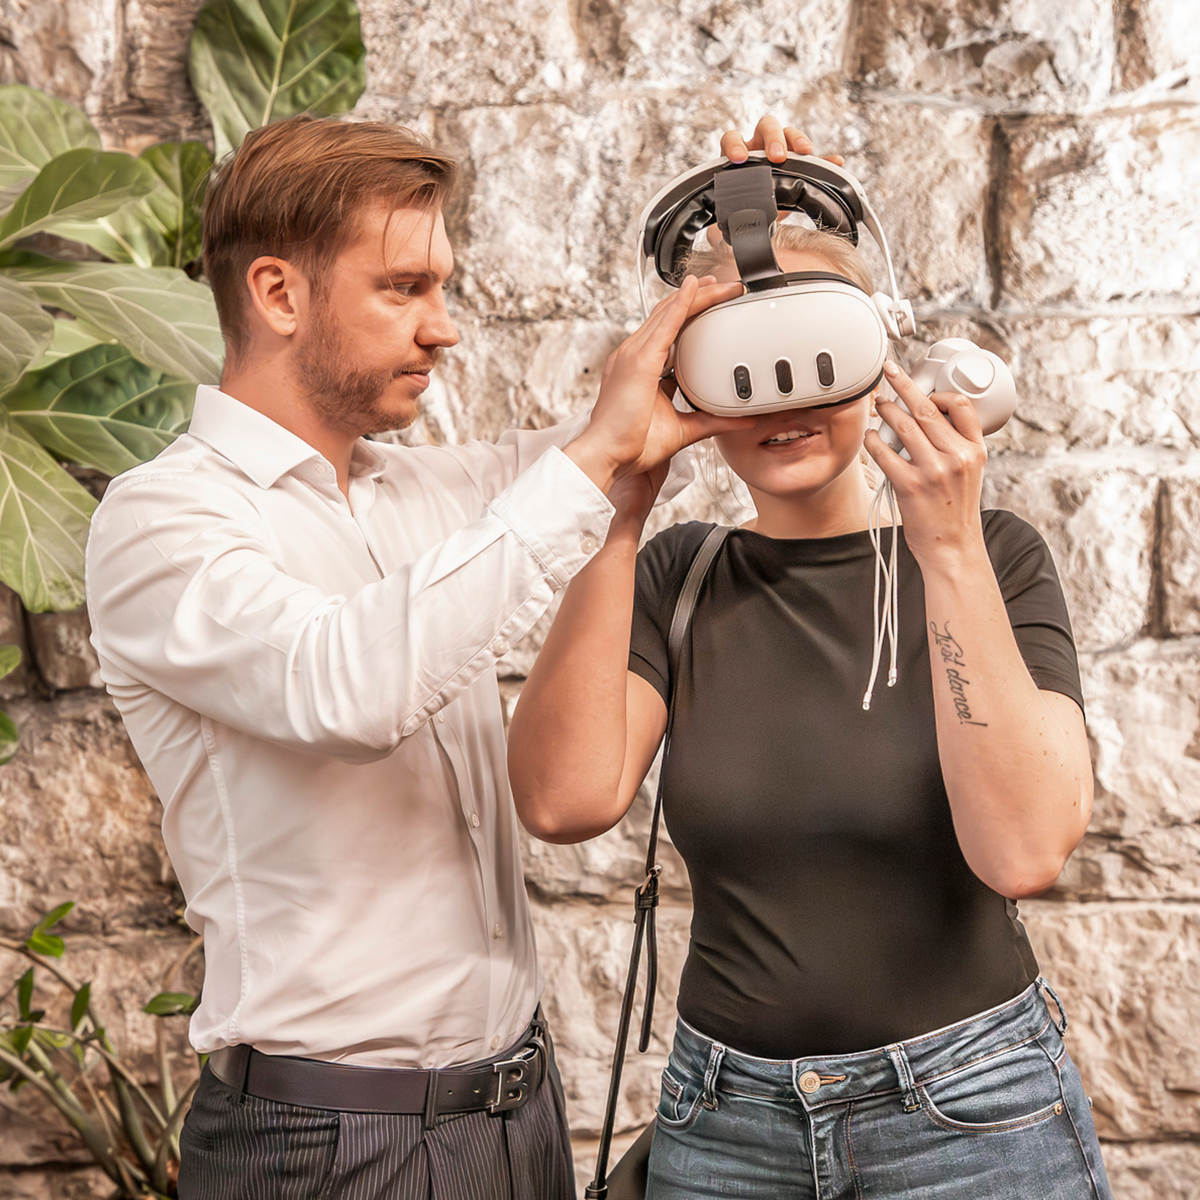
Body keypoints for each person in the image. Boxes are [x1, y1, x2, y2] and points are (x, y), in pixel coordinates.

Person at [84, 112, 803, 1199]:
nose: (445, 328)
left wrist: (750, 253)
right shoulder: (160, 524)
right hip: (326, 1146)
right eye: (404, 288)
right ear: (278, 295)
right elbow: (348, 687)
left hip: (514, 1119)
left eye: (443, 287)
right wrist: (600, 454)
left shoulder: (427, 493)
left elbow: (648, 413)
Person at [507, 131, 1115, 1198]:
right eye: (739, 360)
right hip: (724, 1121)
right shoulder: (678, 576)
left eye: (816, 349)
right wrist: (619, 497)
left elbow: (1024, 848)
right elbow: (562, 800)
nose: (785, 396)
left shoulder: (993, 555)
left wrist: (945, 540)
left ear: (882, 352)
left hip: (972, 1118)